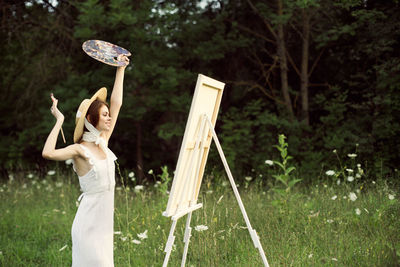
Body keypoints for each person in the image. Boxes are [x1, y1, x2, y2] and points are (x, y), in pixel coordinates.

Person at [42, 55, 129, 266]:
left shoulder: (103, 142)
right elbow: (48, 152)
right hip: (88, 226)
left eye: (109, 115)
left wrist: (120, 69)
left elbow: (117, 104)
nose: (109, 118)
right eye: (104, 115)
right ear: (91, 120)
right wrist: (59, 120)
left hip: (105, 227)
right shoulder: (79, 150)